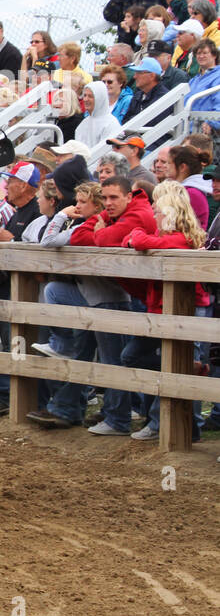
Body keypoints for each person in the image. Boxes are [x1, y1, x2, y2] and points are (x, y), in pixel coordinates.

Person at [28, 181, 137, 431]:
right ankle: (71, 407)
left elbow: (48, 240)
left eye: (81, 202)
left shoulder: (92, 225)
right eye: (75, 201)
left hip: (107, 300)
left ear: (95, 205)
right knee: (55, 292)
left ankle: (118, 419)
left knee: (113, 362)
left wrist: (59, 215)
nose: (75, 206)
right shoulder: (92, 224)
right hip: (94, 298)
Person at [119, 179, 210, 441]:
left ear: (168, 211)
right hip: (159, 309)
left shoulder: (182, 238)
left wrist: (138, 238)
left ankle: (171, 427)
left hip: (187, 309)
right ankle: (190, 372)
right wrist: (137, 238)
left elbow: (145, 241)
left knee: (174, 369)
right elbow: (134, 238)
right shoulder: (164, 236)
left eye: (157, 210)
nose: (154, 214)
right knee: (133, 357)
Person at [0, 162, 44, 417]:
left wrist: (12, 241)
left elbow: (35, 249)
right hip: (9, 288)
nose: (6, 186)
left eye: (11, 181)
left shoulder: (34, 212)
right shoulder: (20, 211)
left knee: (15, 340)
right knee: (10, 340)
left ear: (23, 186)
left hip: (22, 291)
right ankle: (5, 393)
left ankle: (7, 395)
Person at [162, 144, 211, 229]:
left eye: (169, 163)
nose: (165, 166)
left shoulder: (191, 194)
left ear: (182, 167)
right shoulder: (187, 190)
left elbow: (173, 227)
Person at [72, 80, 119, 148]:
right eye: (85, 95)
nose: (86, 99)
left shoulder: (110, 124)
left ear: (100, 98)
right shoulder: (83, 123)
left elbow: (105, 151)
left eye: (90, 96)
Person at [122, 59, 169, 125]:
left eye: (139, 73)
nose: (134, 76)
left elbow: (151, 124)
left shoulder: (164, 98)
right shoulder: (137, 96)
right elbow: (125, 121)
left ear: (152, 76)